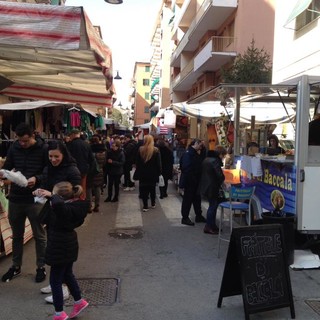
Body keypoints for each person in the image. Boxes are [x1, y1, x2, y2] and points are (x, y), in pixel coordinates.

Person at [35, 140, 82, 303]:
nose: (53, 159)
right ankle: (56, 282)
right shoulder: (48, 168)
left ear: (64, 154)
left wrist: (53, 195)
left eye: (56, 156)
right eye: (50, 156)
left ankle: (61, 288)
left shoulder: (72, 170)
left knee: (61, 253)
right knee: (53, 246)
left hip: (64, 215)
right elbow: (45, 182)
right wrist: (40, 189)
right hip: (51, 212)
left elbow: (76, 193)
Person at [0, 123, 48, 283]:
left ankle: (41, 267)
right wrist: (6, 174)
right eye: (20, 140)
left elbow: (48, 171)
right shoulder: (14, 148)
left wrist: (37, 179)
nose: (22, 144)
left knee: (39, 234)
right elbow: (7, 167)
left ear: (33, 135)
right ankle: (16, 266)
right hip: (16, 198)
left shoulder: (44, 149)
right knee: (17, 235)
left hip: (35, 199)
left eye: (25, 141)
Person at [42, 181, 89, 320]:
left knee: (55, 280)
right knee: (67, 274)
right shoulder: (72, 207)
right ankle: (79, 301)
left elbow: (54, 208)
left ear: (59, 197)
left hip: (59, 246)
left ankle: (59, 313)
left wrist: (51, 196)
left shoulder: (61, 209)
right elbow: (45, 216)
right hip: (69, 244)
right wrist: (48, 198)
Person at [199, 146, 227, 234]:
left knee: (212, 206)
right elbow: (219, 175)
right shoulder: (215, 161)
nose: (224, 157)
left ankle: (212, 225)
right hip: (212, 186)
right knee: (213, 207)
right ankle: (209, 226)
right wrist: (223, 179)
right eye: (223, 155)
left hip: (206, 186)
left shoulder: (206, 159)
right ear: (220, 154)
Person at [179, 139, 207, 226]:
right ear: (195, 144)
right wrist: (192, 179)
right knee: (188, 199)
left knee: (197, 199)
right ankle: (185, 218)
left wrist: (203, 148)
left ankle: (198, 215)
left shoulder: (194, 153)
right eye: (200, 145)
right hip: (190, 181)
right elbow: (186, 168)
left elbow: (202, 158)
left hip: (195, 180)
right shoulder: (188, 154)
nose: (200, 147)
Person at [134, 135, 162, 212]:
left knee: (144, 189)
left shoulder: (140, 149)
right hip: (153, 173)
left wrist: (138, 170)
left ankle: (145, 205)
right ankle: (153, 203)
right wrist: (159, 172)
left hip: (142, 173)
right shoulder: (156, 150)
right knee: (152, 189)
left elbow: (137, 162)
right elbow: (158, 163)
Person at [67, 129, 95, 200]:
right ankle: (83, 203)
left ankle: (75, 203)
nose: (70, 137)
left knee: (73, 188)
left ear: (73, 134)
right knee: (83, 188)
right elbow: (91, 159)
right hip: (84, 170)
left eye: (70, 135)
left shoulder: (70, 144)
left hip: (72, 170)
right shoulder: (86, 144)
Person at [87, 137, 106, 212]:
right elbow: (104, 163)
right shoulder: (103, 151)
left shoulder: (91, 151)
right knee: (97, 188)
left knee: (89, 189)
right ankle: (97, 205)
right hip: (100, 171)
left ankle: (89, 206)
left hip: (91, 172)